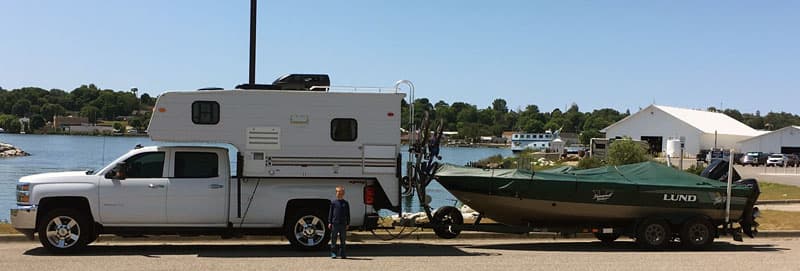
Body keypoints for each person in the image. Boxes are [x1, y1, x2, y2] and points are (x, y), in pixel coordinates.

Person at [328, 185, 349, 259]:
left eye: (341, 192)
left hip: (343, 224)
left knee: (343, 240)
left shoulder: (345, 203)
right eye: (338, 192)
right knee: (333, 239)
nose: (340, 194)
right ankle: (333, 253)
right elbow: (331, 213)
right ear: (336, 193)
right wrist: (330, 222)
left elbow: (348, 214)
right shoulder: (333, 203)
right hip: (335, 223)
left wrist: (348, 223)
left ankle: (343, 253)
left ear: (343, 193)